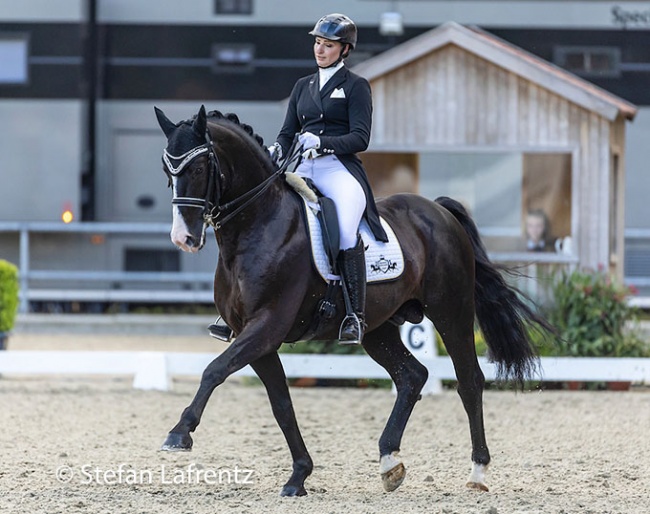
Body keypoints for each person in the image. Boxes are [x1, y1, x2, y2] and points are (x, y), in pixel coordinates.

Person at [209, 13, 388, 345]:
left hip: (338, 169)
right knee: (263, 215)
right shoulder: (302, 86)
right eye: (318, 43)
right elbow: (289, 131)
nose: (320, 50)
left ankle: (354, 314)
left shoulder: (355, 87)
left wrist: (323, 142)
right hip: (302, 166)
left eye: (329, 45)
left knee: (346, 230)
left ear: (344, 50)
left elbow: (360, 138)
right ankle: (234, 308)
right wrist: (279, 146)